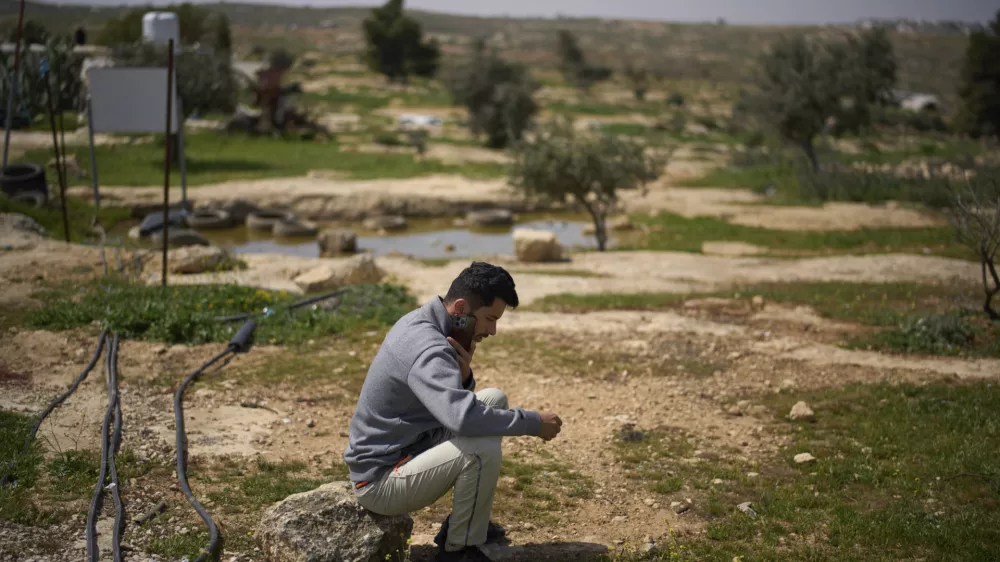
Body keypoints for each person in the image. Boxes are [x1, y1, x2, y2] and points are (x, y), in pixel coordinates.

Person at [344, 262, 563, 562]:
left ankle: (465, 526)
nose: (493, 330)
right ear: (460, 308)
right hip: (380, 481)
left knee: (493, 399)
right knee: (479, 448)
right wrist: (533, 423)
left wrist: (462, 378)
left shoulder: (426, 322)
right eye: (489, 319)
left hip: (410, 448)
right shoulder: (428, 347)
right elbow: (463, 419)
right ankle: (459, 550)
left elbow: (451, 407)